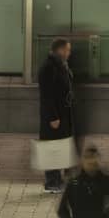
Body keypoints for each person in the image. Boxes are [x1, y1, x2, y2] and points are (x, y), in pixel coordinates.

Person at [38, 38, 75, 192]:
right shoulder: (49, 67)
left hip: (64, 113)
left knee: (61, 146)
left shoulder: (61, 65)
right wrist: (53, 117)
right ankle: (52, 182)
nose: (69, 53)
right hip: (54, 116)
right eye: (67, 50)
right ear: (60, 50)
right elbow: (47, 95)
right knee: (52, 147)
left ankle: (60, 179)